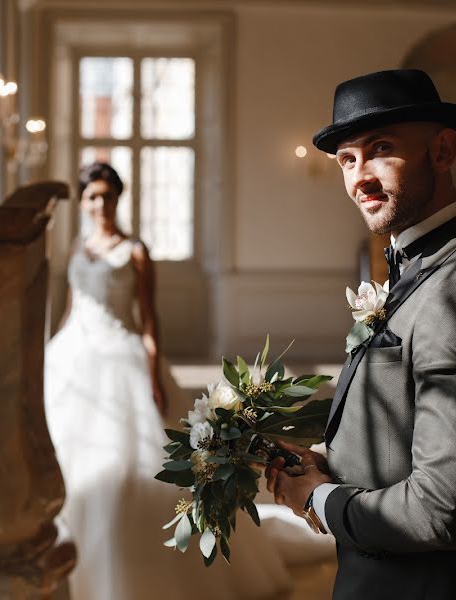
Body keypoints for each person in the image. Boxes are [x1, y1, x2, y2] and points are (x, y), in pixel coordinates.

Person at [266, 69, 456, 599]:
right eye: (346, 159)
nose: (358, 177)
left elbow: (439, 512)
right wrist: (327, 468)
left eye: (381, 149)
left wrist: (318, 499)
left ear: (443, 151)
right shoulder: (419, 271)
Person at [44, 162, 292, 600]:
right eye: (91, 197)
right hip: (73, 355)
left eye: (107, 195)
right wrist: (52, 350)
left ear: (118, 199)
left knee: (134, 465)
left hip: (121, 355)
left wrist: (153, 371)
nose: (100, 204)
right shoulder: (77, 247)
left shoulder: (135, 250)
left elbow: (149, 316)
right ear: (82, 203)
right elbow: (70, 306)